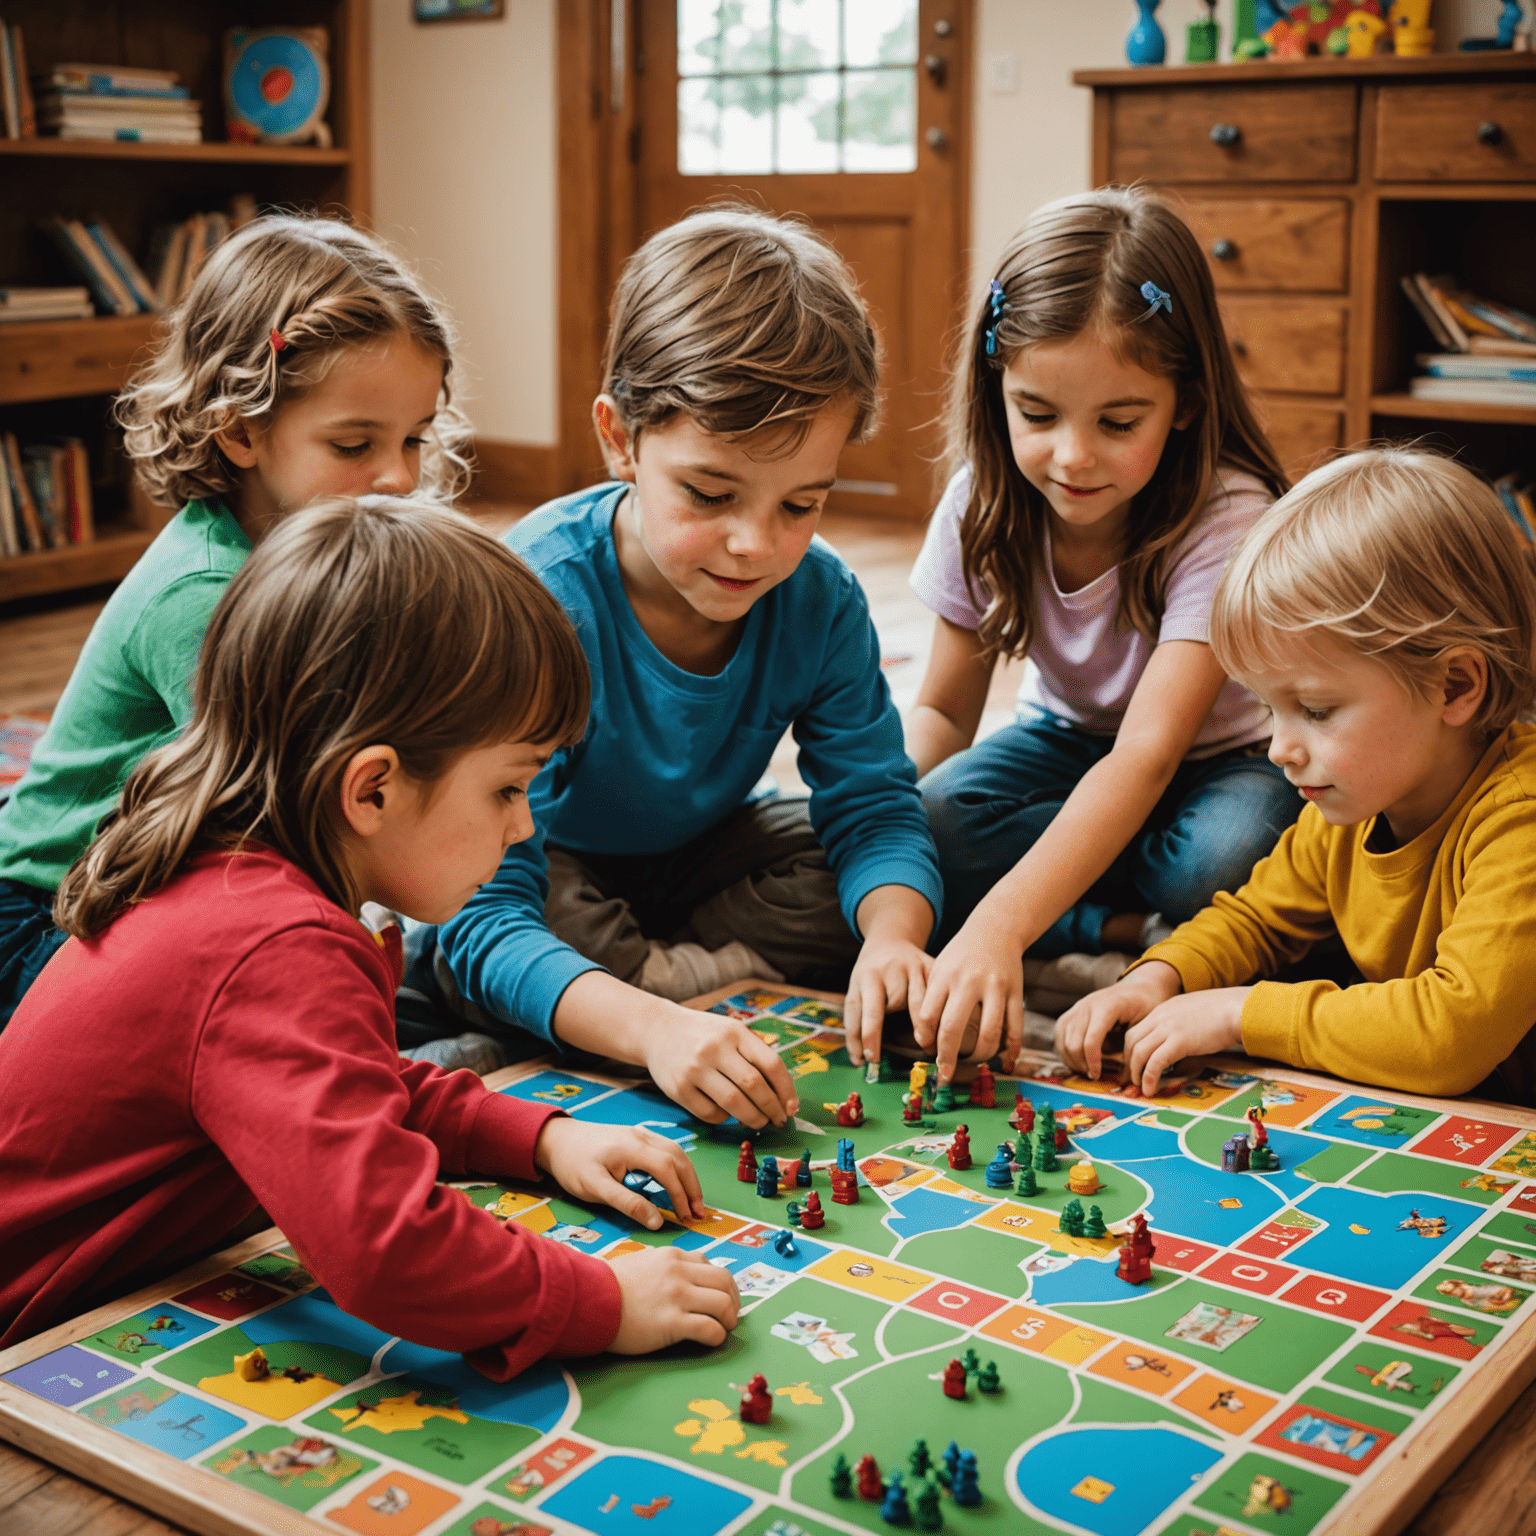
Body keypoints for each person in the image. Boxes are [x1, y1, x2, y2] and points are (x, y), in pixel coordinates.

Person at [0, 497, 740, 1367]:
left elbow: (353, 1086)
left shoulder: (244, 872)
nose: (521, 829)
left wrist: (536, 1136)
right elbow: (386, 1249)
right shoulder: (273, 946)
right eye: (507, 789)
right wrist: (602, 1300)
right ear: (372, 789)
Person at [436, 205, 942, 1128]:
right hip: (545, 864)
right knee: (471, 934)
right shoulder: (537, 597)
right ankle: (642, 991)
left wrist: (895, 943)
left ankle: (647, 978)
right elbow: (476, 903)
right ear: (621, 438)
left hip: (697, 861)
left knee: (886, 869)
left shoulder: (821, 599)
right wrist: (654, 1032)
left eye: (802, 504)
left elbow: (871, 803)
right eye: (710, 494)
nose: (755, 545)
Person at [0, 215, 471, 1030]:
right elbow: (280, 815)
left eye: (414, 439)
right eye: (355, 443)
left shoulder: (318, 551)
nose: (399, 476)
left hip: (167, 879)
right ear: (243, 430)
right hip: (49, 916)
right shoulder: (204, 592)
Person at [881, 186, 1295, 1081]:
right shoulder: (981, 505)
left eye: (1118, 423)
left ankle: (1104, 906)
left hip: (1215, 762)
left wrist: (998, 924)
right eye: (1038, 415)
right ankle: (1125, 930)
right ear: (997, 389)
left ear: (1183, 403)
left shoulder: (1227, 514)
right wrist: (872, 808)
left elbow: (1147, 757)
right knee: (936, 818)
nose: (1073, 456)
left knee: (1230, 856)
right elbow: (945, 715)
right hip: (1065, 743)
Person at [1056, 448, 1536, 1105]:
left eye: (1315, 710)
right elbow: (1253, 919)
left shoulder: (1522, 815)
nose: (1281, 749)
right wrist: (1158, 976)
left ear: (1455, 684)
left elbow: (1448, 1037)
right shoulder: (1355, 804)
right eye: (1267, 707)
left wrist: (1241, 1013)